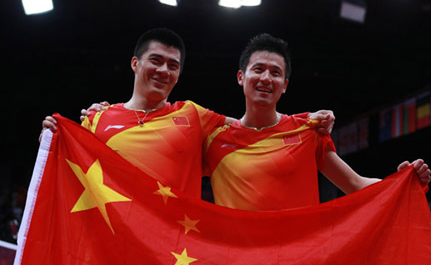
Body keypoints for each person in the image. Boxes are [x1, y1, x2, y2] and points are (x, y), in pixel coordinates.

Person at [41, 28, 334, 198]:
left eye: (173, 65)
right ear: (135, 63)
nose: (163, 70)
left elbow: (253, 126)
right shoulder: (97, 118)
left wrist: (302, 123)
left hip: (171, 255)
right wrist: (49, 141)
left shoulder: (193, 115)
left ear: (179, 74)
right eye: (156, 61)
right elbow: (66, 181)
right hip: (113, 248)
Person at [203, 33, 431, 210]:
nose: (265, 78)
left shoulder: (307, 133)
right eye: (258, 69)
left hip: (294, 264)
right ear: (241, 77)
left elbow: (355, 184)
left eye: (275, 72)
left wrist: (403, 182)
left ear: (284, 86)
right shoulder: (215, 138)